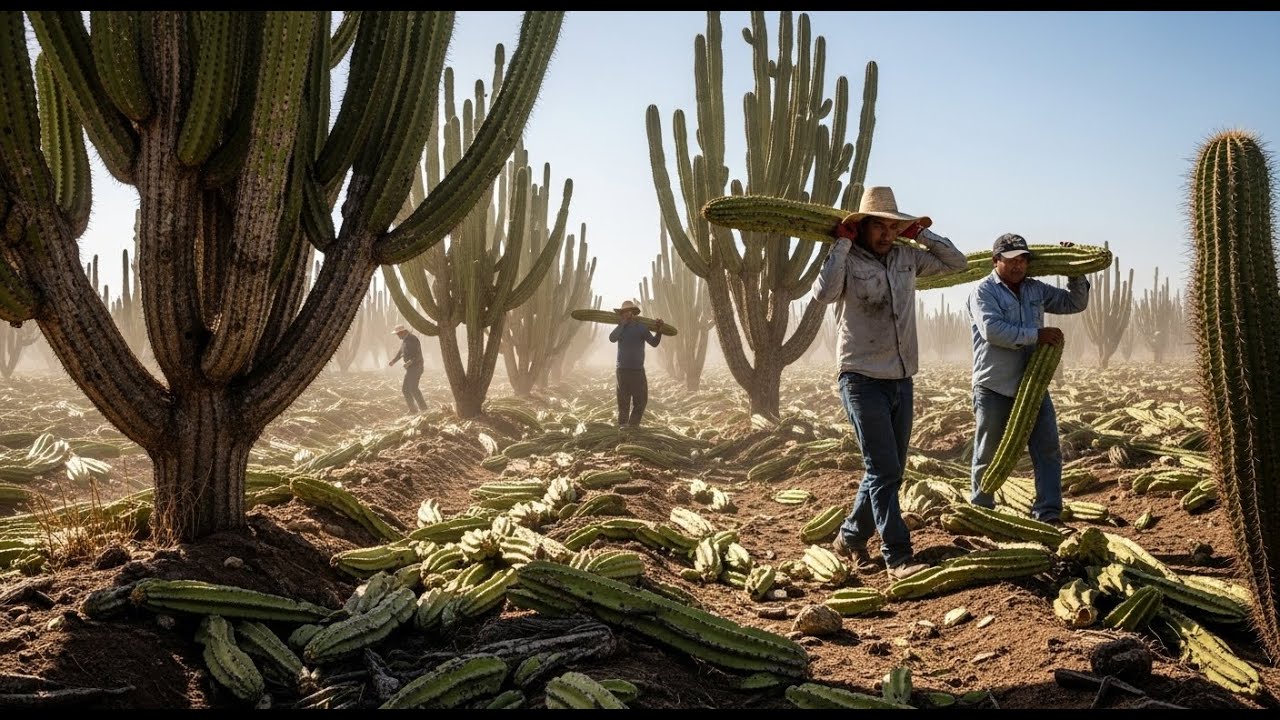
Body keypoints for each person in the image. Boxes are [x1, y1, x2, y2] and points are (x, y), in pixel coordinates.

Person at [811, 186, 969, 581]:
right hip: (861, 377)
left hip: (901, 377)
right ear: (861, 227)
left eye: (891, 227)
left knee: (890, 469)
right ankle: (897, 555)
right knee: (882, 468)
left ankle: (849, 538)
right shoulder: (847, 259)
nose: (885, 234)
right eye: (877, 227)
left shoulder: (907, 257)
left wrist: (922, 235)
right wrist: (841, 246)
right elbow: (823, 294)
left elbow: (958, 264)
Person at [966, 233, 1090, 528]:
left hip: (1033, 384)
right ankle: (982, 512)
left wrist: (1074, 268)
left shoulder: (1034, 289)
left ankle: (1048, 514)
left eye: (1022, 260)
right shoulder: (983, 292)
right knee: (988, 450)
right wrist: (1037, 335)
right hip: (994, 384)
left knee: (1047, 448)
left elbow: (1074, 303)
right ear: (996, 261)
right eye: (1010, 260)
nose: (1018, 266)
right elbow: (992, 330)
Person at [608, 299, 663, 428]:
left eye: (629, 311)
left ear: (633, 313)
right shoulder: (620, 328)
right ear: (621, 314)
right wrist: (622, 325)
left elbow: (654, 343)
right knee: (623, 403)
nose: (627, 314)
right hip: (622, 370)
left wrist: (659, 330)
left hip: (637, 370)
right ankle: (622, 427)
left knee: (641, 401)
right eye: (624, 312)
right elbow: (612, 338)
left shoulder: (641, 328)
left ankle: (632, 426)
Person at [388, 324, 428, 414]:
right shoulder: (405, 340)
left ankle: (424, 409)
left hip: (417, 367)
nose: (397, 336)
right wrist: (393, 361)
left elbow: (417, 355)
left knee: (413, 388)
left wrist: (409, 362)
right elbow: (400, 352)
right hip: (411, 369)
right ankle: (413, 410)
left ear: (403, 332)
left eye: (398, 334)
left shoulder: (413, 339)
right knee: (405, 389)